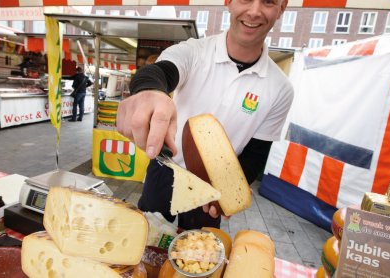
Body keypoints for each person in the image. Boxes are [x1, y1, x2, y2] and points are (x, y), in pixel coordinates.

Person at [116, 0, 293, 229]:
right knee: (145, 239)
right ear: (228, 2)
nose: (254, 11)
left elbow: (256, 154)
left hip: (212, 186)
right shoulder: (194, 51)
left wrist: (234, 189)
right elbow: (160, 71)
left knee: (198, 256)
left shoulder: (280, 88)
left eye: (268, 1)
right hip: (166, 169)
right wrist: (149, 90)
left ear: (282, 7)